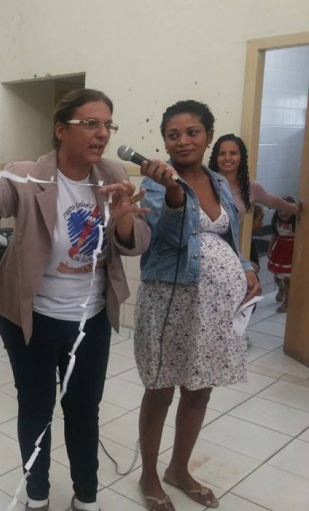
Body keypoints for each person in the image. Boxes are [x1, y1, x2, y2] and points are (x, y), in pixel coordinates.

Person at [0, 88, 153, 511]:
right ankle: (37, 494)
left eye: (107, 125)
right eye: (90, 123)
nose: (102, 133)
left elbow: (135, 242)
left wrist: (124, 221)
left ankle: (86, 496)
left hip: (91, 320)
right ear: (60, 129)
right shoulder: (27, 175)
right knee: (36, 409)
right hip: (33, 318)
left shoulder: (112, 174)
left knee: (84, 409)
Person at [134, 101, 261, 511]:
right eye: (173, 135)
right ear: (164, 141)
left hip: (214, 309)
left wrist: (245, 267)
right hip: (169, 300)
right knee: (160, 390)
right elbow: (169, 237)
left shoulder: (218, 181)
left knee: (199, 390)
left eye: (193, 132)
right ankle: (149, 474)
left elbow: (227, 235)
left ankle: (179, 469)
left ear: (207, 135)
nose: (183, 141)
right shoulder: (156, 183)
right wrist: (173, 192)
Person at [208, 133, 299, 267]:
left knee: (253, 270)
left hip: (228, 251)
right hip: (202, 251)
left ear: (241, 157)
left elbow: (272, 200)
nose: (227, 158)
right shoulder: (205, 182)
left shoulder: (250, 187)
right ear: (216, 157)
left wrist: (295, 209)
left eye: (233, 153)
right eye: (222, 154)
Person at [268, 197, 297, 313]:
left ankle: (286, 302)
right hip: (280, 251)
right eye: (280, 210)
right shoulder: (277, 222)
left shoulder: (297, 223)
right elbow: (275, 235)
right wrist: (270, 249)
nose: (283, 213)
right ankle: (281, 288)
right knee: (277, 276)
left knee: (287, 278)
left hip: (291, 252)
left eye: (287, 210)